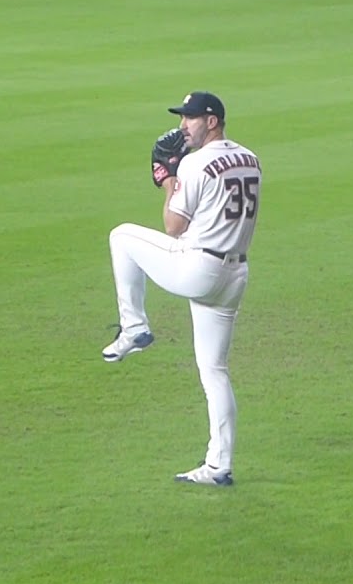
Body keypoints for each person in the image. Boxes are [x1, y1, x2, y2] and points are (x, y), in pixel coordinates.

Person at [103, 91, 262, 487]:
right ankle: (218, 465)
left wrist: (169, 177)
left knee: (122, 236)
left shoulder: (196, 163)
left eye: (190, 118)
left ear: (212, 121)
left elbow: (174, 226)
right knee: (214, 370)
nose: (182, 126)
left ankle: (133, 327)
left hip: (199, 268)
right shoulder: (251, 159)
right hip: (235, 276)